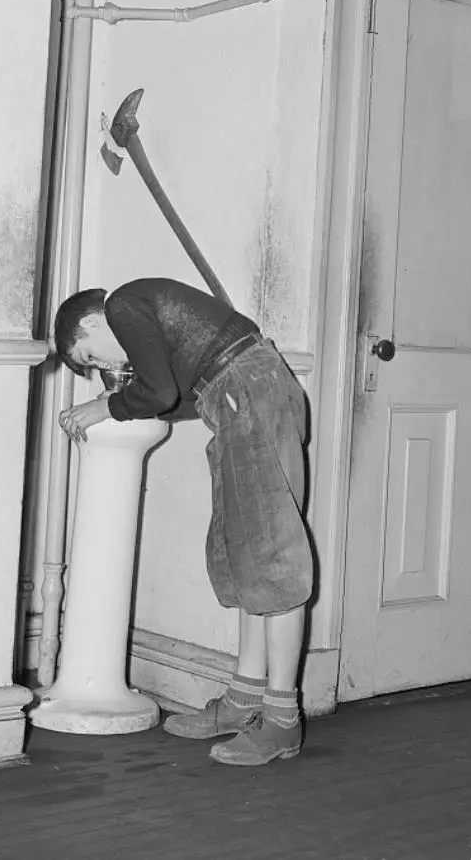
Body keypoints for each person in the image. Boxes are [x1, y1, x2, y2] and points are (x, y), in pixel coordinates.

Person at [54, 277, 313, 767]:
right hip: (240, 397)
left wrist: (105, 406)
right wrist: (122, 406)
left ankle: (281, 720)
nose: (107, 367)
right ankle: (245, 700)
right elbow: (172, 397)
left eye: (90, 356)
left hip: (248, 394)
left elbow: (157, 390)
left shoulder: (124, 306)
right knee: (248, 559)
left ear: (91, 322)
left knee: (272, 558)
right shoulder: (144, 315)